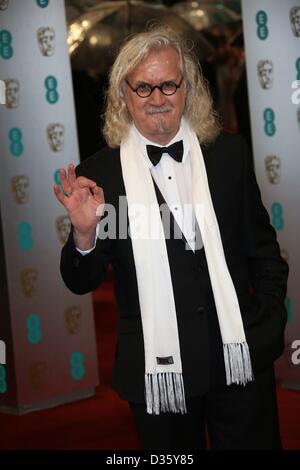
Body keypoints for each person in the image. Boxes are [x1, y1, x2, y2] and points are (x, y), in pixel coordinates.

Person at [54, 27, 289, 450]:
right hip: (158, 372)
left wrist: (269, 321)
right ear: (123, 94)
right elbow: (81, 281)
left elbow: (265, 250)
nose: (157, 97)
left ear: (188, 88)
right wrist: (85, 233)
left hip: (240, 359)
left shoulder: (228, 155)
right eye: (143, 87)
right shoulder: (101, 175)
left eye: (168, 84)